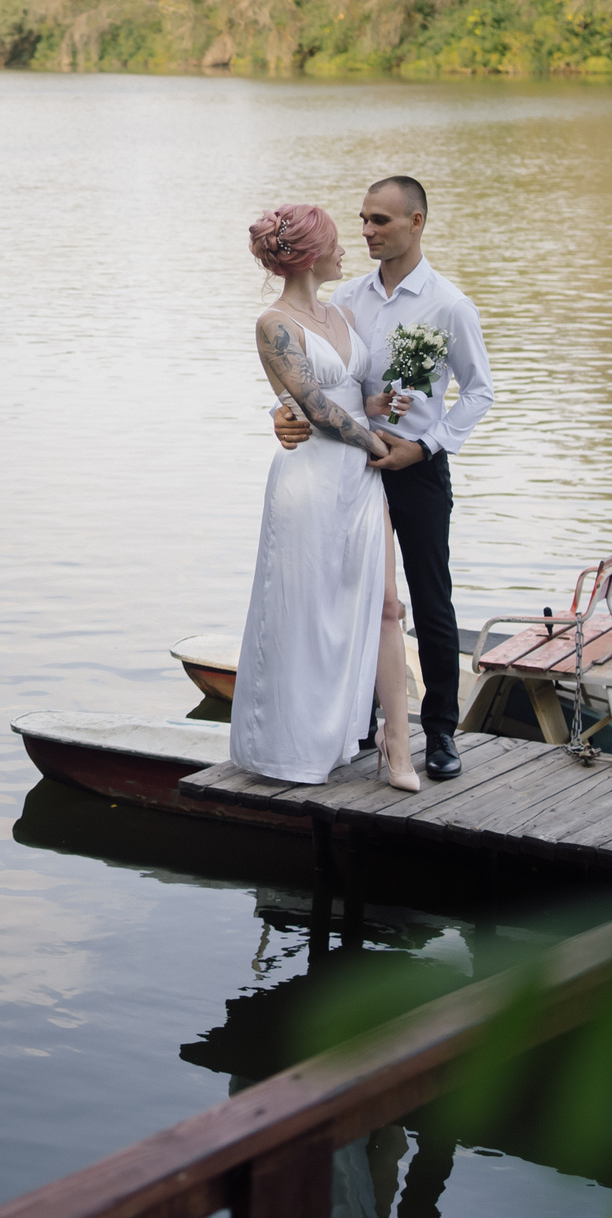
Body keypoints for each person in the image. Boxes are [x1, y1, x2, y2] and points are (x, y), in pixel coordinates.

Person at [274, 177, 494, 781]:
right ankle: (366, 724)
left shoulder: (449, 304)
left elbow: (479, 393)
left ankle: (442, 733)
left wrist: (425, 446)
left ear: (416, 222)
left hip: (417, 468)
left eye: (380, 221)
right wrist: (281, 415)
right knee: (358, 597)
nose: (367, 231)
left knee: (430, 599)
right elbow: (322, 382)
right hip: (350, 470)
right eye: (363, 220)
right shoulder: (344, 298)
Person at [230, 202, 423, 791]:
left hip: (360, 479)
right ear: (311, 254)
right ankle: (292, 746)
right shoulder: (274, 323)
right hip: (312, 481)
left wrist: (383, 408)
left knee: (385, 606)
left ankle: (397, 746)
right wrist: (375, 445)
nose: (348, 248)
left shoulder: (341, 314)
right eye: (337, 241)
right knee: (303, 610)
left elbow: (346, 393)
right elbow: (313, 407)